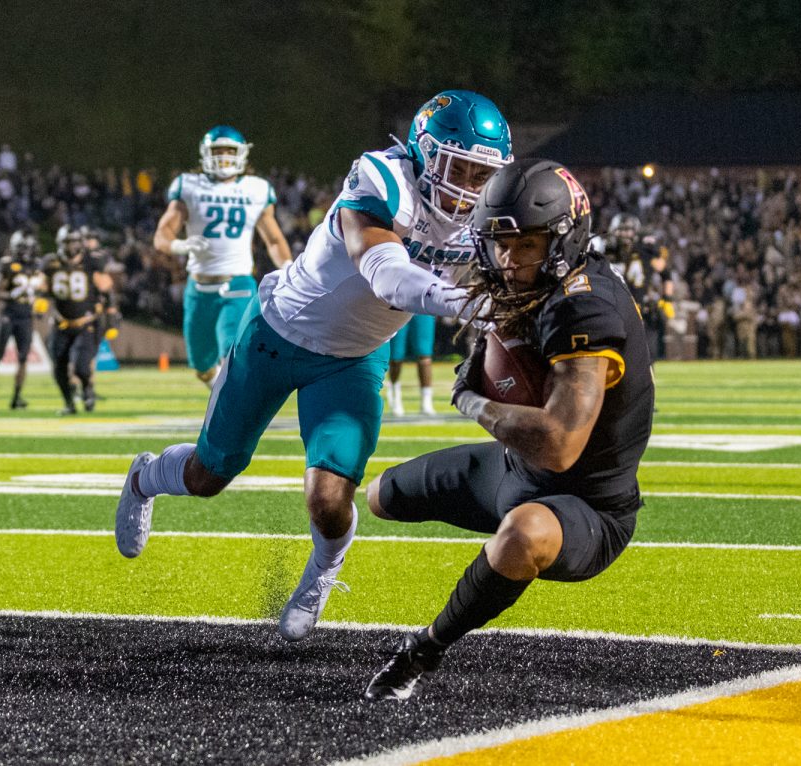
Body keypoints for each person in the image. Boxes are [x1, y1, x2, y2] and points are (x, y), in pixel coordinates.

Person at [115, 90, 513, 642]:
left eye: (481, 173)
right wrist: (469, 304)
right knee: (208, 476)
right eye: (459, 168)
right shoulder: (382, 178)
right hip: (277, 333)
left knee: (329, 499)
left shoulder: (492, 216)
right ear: (424, 153)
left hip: (352, 360)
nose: (469, 186)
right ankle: (145, 477)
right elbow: (385, 272)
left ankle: (323, 571)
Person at [362, 158, 654, 700]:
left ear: (563, 240)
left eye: (525, 245)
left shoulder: (584, 309)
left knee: (523, 535)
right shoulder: (536, 280)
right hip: (513, 473)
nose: (508, 260)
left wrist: (474, 403)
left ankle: (423, 651)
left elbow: (560, 445)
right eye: (498, 244)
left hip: (585, 504)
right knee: (377, 496)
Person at [154, 126, 293, 387]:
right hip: (199, 285)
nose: (224, 157)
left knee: (233, 350)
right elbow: (162, 235)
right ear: (205, 154)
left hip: (238, 283)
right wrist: (180, 246)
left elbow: (273, 239)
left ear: (242, 154)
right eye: (218, 151)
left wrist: (288, 267)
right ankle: (221, 394)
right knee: (201, 365)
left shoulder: (256, 189)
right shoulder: (189, 186)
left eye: (230, 151)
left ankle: (235, 405)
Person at [39, 227, 114, 415]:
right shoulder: (50, 262)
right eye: (66, 243)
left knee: (81, 366)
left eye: (73, 243)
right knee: (59, 368)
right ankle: (69, 403)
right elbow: (41, 284)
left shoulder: (91, 261)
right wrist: (39, 297)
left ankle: (87, 388)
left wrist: (111, 314)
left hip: (85, 323)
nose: (70, 247)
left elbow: (106, 287)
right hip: (60, 323)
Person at [0, 230, 42, 408]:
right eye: (24, 248)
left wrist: (39, 303)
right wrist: (12, 294)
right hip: (8, 315)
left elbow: (41, 290)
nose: (27, 252)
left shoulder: (35, 267)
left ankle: (16, 397)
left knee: (23, 358)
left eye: (29, 248)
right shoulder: (7, 265)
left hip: (26, 317)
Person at [603, 213, 674, 361]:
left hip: (641, 310)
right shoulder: (606, 252)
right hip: (613, 310)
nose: (624, 234)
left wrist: (667, 299)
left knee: (646, 359)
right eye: (621, 230)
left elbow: (666, 274)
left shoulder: (645, 251)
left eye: (628, 230)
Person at [386, 314, 437, 416]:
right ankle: (395, 395)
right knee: (396, 357)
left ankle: (426, 400)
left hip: (422, 308)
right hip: (399, 307)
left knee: (424, 354)